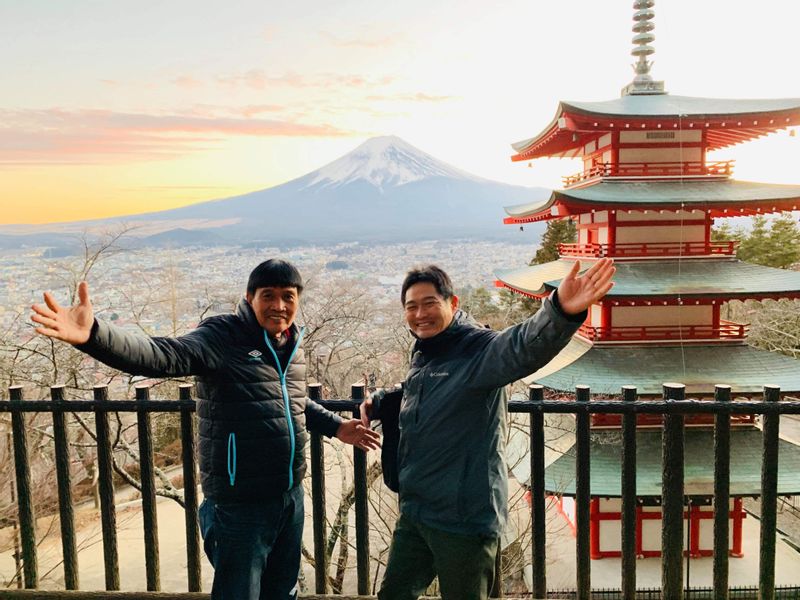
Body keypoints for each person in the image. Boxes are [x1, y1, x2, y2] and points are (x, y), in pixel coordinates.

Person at [31, 258, 381, 600]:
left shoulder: (290, 346)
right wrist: (94, 335)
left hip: (289, 497)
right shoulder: (222, 337)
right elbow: (162, 355)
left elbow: (291, 401)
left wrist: (336, 426)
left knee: (282, 590)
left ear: (298, 301)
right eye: (268, 295)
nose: (279, 305)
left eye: (288, 296)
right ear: (249, 298)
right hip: (239, 504)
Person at [361, 258, 615, 600]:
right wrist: (380, 399)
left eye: (429, 304)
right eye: (411, 307)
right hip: (417, 511)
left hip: (463, 519)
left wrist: (560, 311)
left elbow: (521, 346)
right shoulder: (426, 351)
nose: (420, 314)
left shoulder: (477, 350)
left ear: (453, 303)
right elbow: (418, 390)